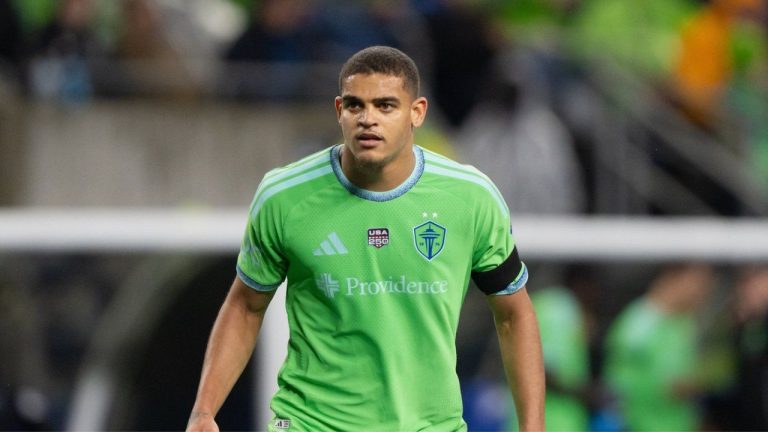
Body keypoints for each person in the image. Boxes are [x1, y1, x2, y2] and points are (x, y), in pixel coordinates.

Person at [186, 45, 545, 432]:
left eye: (386, 106)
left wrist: (532, 426)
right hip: (311, 422)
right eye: (356, 106)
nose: (367, 119)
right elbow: (245, 306)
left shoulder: (471, 197)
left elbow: (513, 314)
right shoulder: (284, 196)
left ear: (417, 112)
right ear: (339, 110)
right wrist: (203, 411)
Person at [603, 263, 716, 431]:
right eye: (700, 285)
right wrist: (666, 389)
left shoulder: (684, 323)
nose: (704, 294)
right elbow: (617, 384)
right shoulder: (638, 323)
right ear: (675, 279)